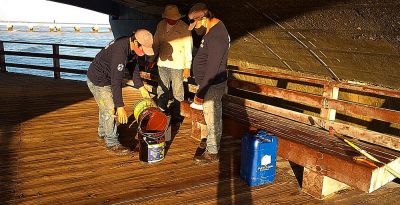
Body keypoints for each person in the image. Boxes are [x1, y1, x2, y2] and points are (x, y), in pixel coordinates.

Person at [87, 29, 153, 155]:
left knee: (105, 107)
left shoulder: (130, 46)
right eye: (142, 48)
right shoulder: (120, 52)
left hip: (105, 78)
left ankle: (103, 133)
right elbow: (116, 82)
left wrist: (141, 87)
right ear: (135, 41)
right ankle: (112, 143)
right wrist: (120, 106)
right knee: (111, 108)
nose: (143, 52)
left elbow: (133, 68)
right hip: (98, 79)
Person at [188, 3, 230, 163]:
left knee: (213, 117)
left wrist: (200, 93)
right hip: (208, 84)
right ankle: (211, 145)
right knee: (210, 116)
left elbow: (212, 69)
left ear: (204, 18)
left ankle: (212, 152)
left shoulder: (218, 35)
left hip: (212, 85)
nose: (195, 27)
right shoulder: (212, 30)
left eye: (195, 23)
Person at [147, 4, 193, 125]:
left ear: (177, 18)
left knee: (178, 91)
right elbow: (156, 43)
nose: (170, 20)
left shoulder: (185, 28)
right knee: (162, 89)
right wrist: (151, 59)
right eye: (168, 18)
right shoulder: (161, 25)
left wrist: (187, 67)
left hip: (178, 65)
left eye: (173, 18)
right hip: (162, 63)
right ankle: (162, 112)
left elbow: (188, 48)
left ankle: (178, 116)